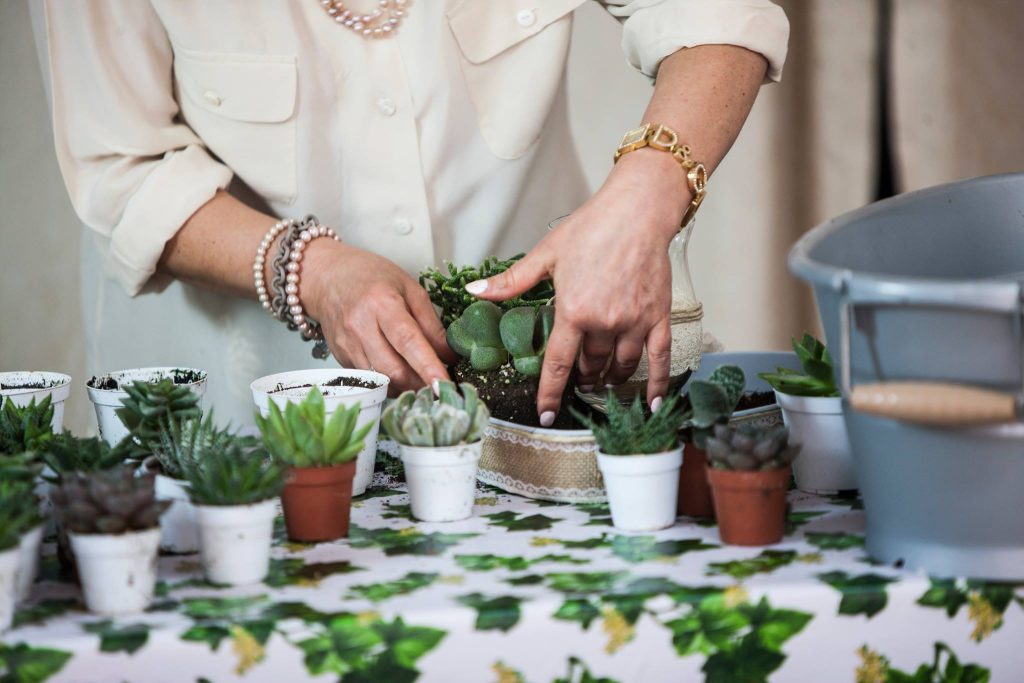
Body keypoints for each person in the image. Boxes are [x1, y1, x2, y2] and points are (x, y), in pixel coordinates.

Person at [43, 0, 788, 427]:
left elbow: (720, 12)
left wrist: (641, 201)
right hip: (234, 425)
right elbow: (122, 164)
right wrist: (308, 271)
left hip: (530, 411)